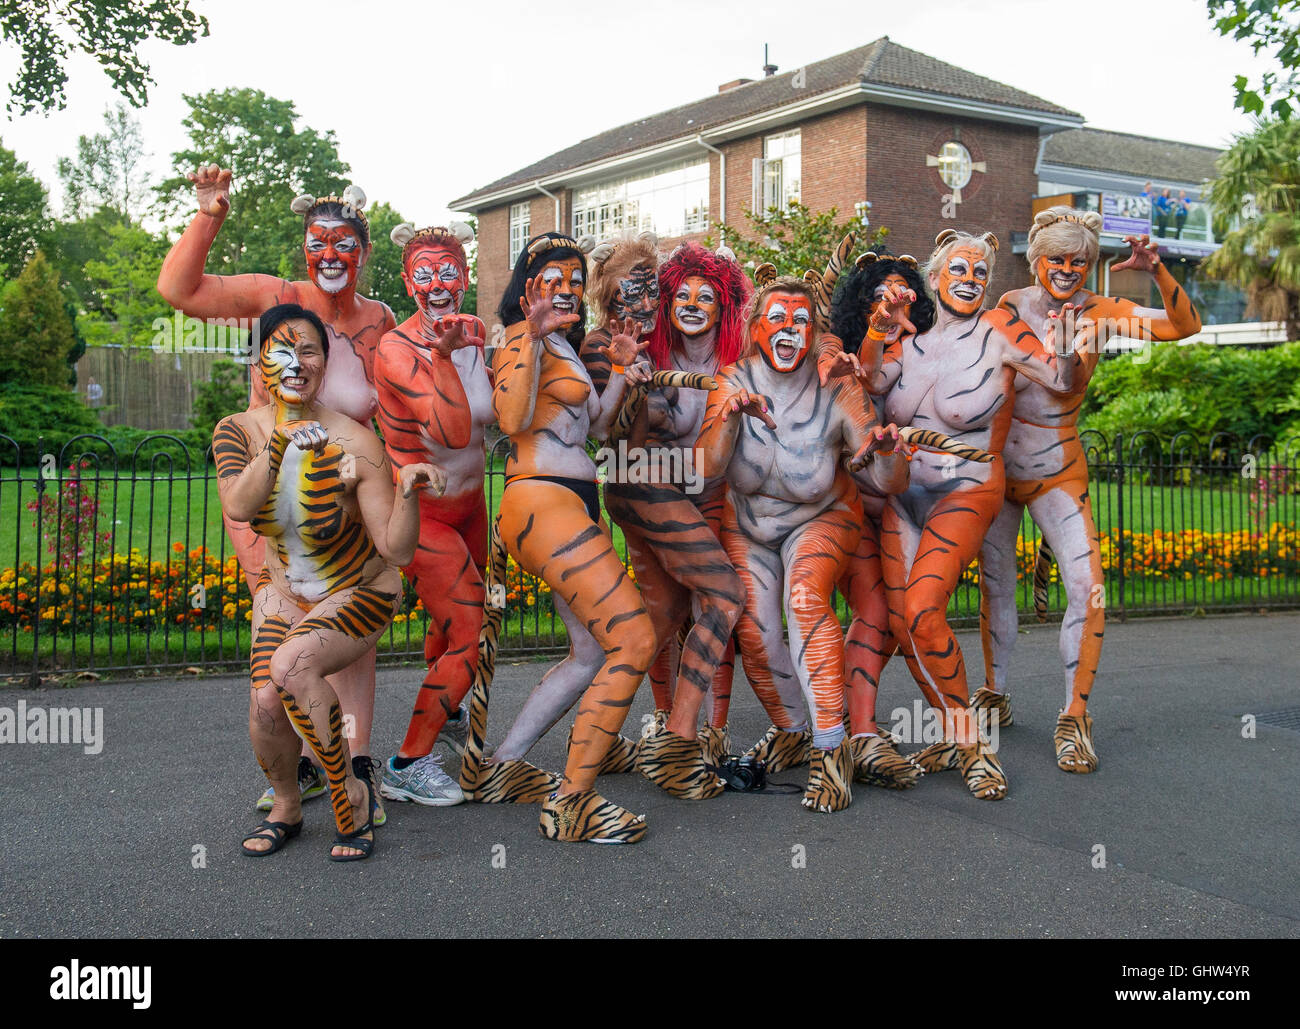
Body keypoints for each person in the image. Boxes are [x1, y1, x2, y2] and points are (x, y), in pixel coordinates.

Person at [158, 168, 394, 820]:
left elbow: (394, 415)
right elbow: (178, 289)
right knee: (282, 620)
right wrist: (209, 215)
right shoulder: (275, 297)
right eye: (317, 241)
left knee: (348, 637)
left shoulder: (380, 321)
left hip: (341, 505)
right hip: (267, 498)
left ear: (365, 252)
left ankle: (354, 759)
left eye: (344, 242)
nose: (330, 254)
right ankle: (294, 772)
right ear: (304, 247)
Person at [859, 229, 1087, 800]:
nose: (969, 280)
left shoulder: (1001, 332)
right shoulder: (906, 343)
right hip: (902, 494)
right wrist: (874, 331)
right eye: (958, 270)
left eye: (980, 273)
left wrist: (1075, 341)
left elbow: (1060, 379)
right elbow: (863, 385)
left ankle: (974, 748)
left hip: (967, 488)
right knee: (902, 621)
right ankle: (962, 735)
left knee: (922, 606)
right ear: (935, 279)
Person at [977, 208, 1201, 773]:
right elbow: (1050, 374)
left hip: (1059, 469)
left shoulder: (1100, 310)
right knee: (997, 585)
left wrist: (1158, 272)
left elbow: (1184, 327)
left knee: (1088, 585)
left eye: (1081, 261)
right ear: (1037, 261)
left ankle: (1074, 717)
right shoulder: (1009, 307)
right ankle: (995, 694)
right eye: (1058, 259)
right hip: (999, 469)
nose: (1069, 270)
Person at [213, 304, 439, 860]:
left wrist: (408, 493)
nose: (296, 363)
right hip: (284, 586)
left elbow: (396, 548)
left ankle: (348, 793)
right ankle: (288, 804)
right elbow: (240, 506)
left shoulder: (357, 441)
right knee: (266, 701)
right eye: (282, 351)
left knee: (291, 667)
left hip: (358, 588)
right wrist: (279, 443)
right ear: (260, 360)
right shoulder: (236, 432)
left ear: (324, 362)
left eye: (309, 350)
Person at [696, 250, 908, 813]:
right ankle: (796, 730)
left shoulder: (836, 387)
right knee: (757, 633)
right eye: (777, 319)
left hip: (821, 518)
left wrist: (885, 452)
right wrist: (728, 418)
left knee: (806, 600)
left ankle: (832, 748)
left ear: (813, 331)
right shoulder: (732, 380)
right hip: (748, 525)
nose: (789, 329)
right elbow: (707, 468)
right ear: (756, 329)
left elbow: (886, 478)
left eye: (800, 321)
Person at [471, 231, 657, 843]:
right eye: (555, 277)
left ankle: (501, 766)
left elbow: (595, 427)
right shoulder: (519, 342)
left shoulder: (563, 347)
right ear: (527, 288)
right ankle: (574, 800)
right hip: (542, 499)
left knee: (591, 653)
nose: (570, 288)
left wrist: (625, 371)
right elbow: (512, 419)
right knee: (634, 638)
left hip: (576, 498)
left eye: (577, 278)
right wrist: (526, 332)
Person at [580, 237, 747, 798]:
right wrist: (630, 379)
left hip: (655, 485)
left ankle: (595, 738)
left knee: (661, 617)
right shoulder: (603, 345)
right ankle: (678, 743)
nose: (649, 293)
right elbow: (613, 435)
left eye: (655, 280)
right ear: (608, 289)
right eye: (636, 281)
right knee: (724, 596)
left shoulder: (645, 345)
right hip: (640, 484)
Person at [374, 222, 490, 806]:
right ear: (406, 280)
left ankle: (446, 715)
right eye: (424, 272)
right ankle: (406, 762)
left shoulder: (477, 333)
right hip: (423, 512)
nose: (437, 284)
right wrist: (444, 356)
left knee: (448, 626)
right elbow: (453, 428)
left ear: (465, 276)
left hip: (472, 505)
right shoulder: (395, 349)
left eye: (448, 271)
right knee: (471, 633)